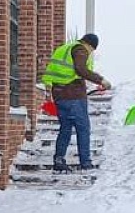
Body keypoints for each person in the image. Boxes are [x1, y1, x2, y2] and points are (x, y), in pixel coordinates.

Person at [42, 33, 112, 172]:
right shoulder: (80, 49)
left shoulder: (63, 49)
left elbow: (56, 72)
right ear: (89, 45)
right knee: (83, 129)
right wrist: (101, 80)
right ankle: (85, 163)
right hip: (73, 95)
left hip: (59, 95)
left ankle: (59, 160)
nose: (90, 53)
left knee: (65, 129)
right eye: (92, 50)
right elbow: (80, 69)